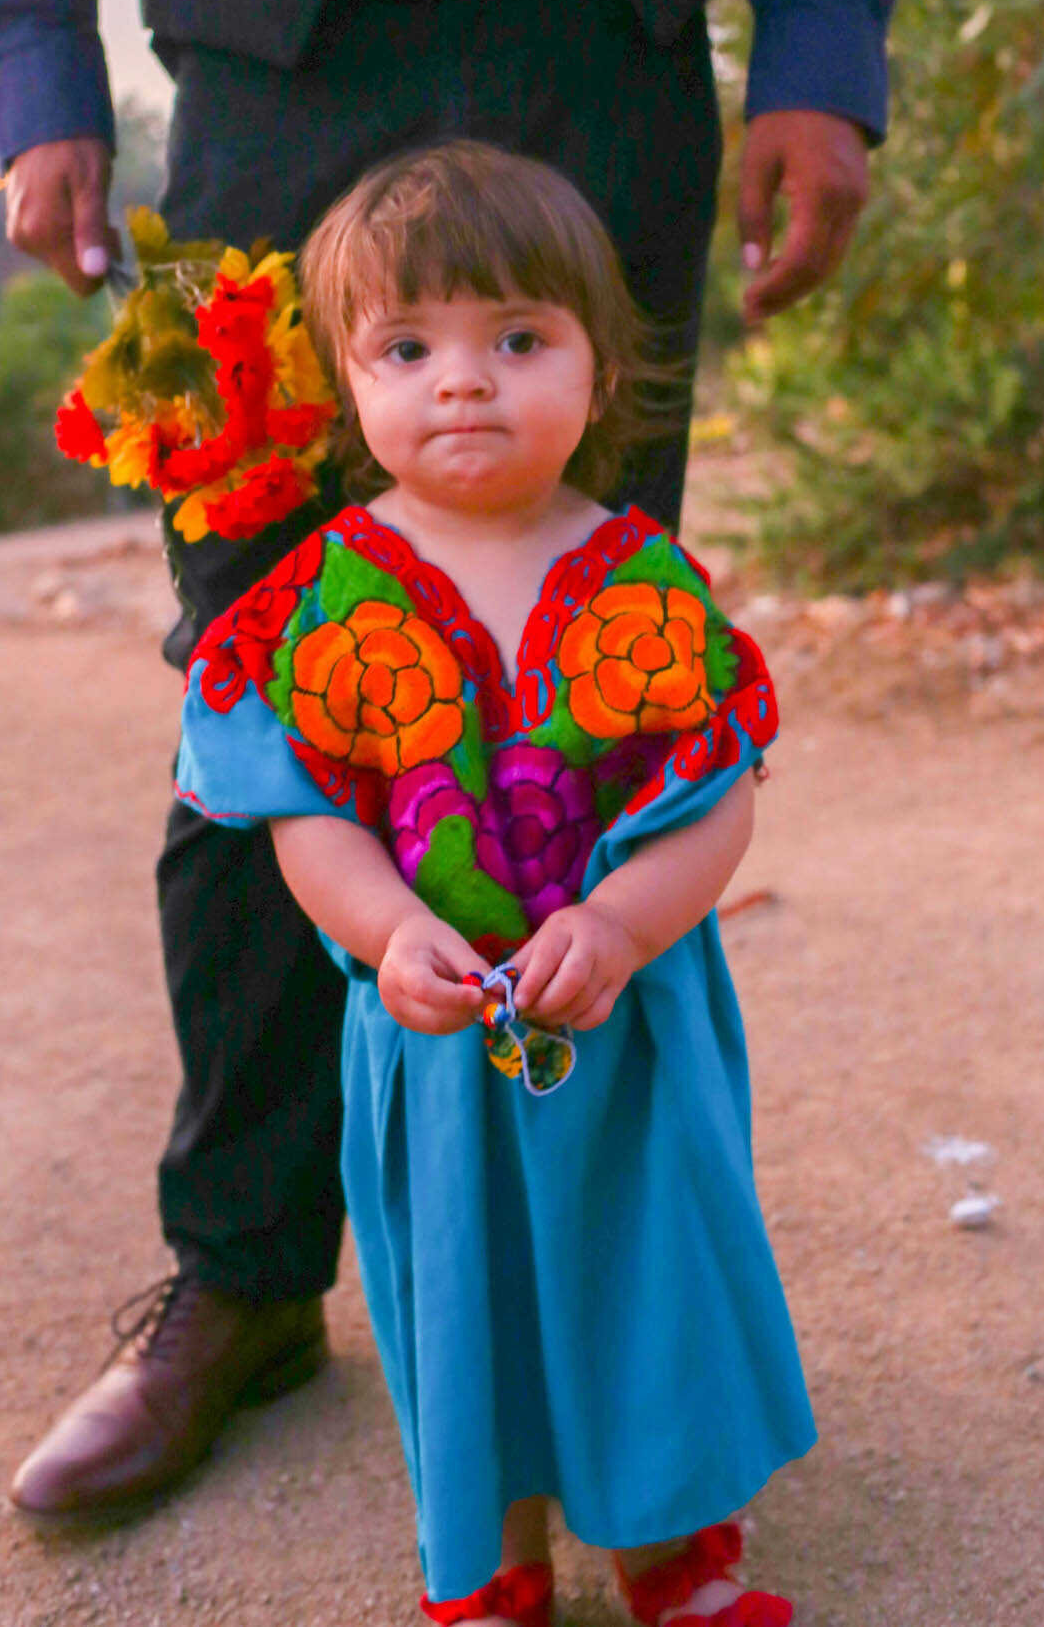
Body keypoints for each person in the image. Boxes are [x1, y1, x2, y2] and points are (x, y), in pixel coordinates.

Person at [0, 0, 902, 1517]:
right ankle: (245, 1277)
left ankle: (584, 1316)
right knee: (260, 709)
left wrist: (823, 31)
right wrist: (36, 49)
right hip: (275, 76)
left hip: (603, 44)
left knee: (582, 708)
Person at [174, 142, 808, 1626]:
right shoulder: (320, 598)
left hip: (631, 1031)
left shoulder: (647, 577)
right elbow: (307, 825)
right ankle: (499, 1556)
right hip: (438, 1039)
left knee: (645, 1272)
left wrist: (623, 918)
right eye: (409, 348)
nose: (464, 382)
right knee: (464, 1295)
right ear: (348, 380)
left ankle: (667, 1551)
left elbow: (716, 815)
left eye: (518, 339)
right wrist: (390, 931)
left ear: (602, 366)